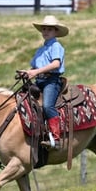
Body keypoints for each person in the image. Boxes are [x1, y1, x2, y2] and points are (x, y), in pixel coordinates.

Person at [18, 14, 68, 149]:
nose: (46, 31)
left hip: (51, 81)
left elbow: (56, 64)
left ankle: (56, 138)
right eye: (44, 29)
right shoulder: (41, 50)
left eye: (50, 29)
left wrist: (35, 72)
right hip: (39, 80)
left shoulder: (56, 46)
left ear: (56, 31)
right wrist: (27, 72)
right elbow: (35, 67)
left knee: (47, 106)